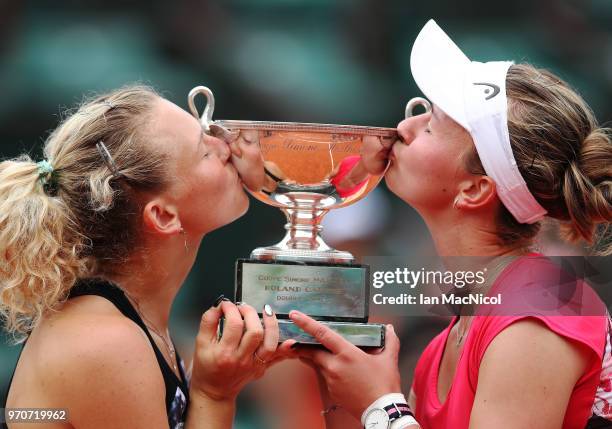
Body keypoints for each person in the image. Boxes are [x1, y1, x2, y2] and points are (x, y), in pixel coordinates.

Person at [289, 20, 612, 429]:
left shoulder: (541, 309)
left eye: (430, 123)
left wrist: (381, 405)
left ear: (475, 190)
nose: (403, 128)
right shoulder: (454, 335)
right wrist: (337, 380)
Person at [0, 85, 293, 428]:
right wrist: (215, 394)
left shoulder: (127, 320)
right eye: (205, 151)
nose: (226, 144)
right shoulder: (104, 343)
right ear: (164, 216)